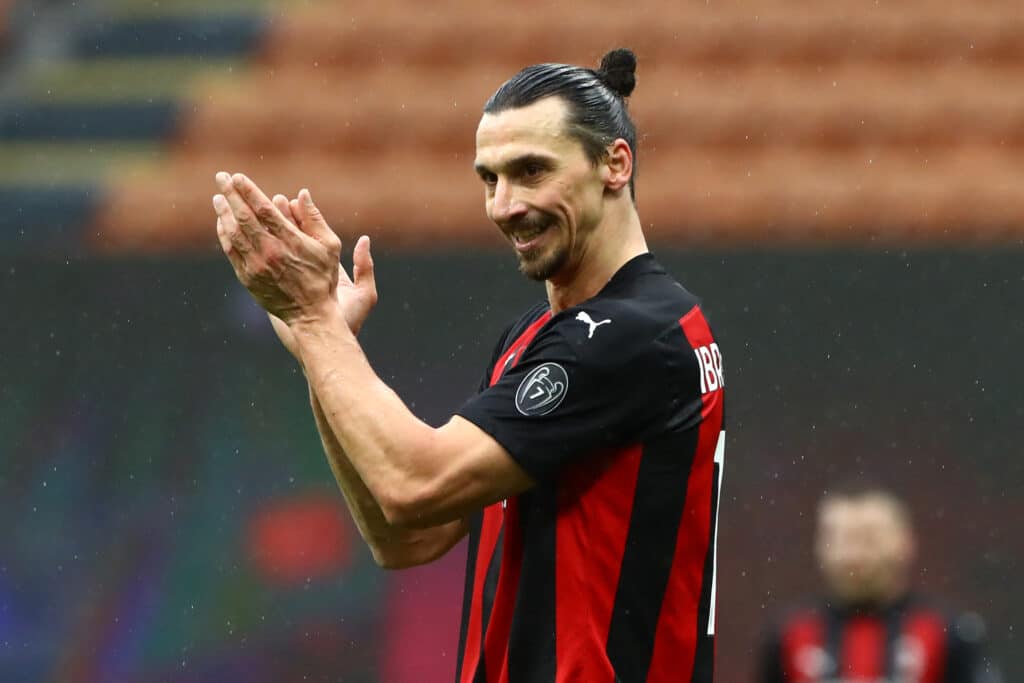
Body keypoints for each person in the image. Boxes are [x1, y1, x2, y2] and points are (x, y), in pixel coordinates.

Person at [212, 48, 726, 682]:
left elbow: (412, 486)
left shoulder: (630, 335)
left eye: (532, 171)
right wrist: (326, 347)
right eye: (490, 178)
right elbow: (407, 538)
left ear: (614, 164)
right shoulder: (543, 333)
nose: (504, 206)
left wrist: (319, 328)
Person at [758, 482, 1002, 683]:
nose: (853, 555)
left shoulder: (949, 631)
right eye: (839, 539)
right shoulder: (788, 634)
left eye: (869, 538)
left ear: (905, 542)